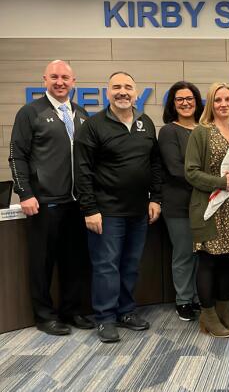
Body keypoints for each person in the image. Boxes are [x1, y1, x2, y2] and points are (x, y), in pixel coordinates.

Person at [74, 71, 162, 343]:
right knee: (106, 266)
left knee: (131, 264)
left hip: (138, 210)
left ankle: (125, 311)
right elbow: (83, 170)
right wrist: (89, 209)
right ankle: (105, 318)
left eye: (128, 87)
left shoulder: (145, 122)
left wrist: (156, 198)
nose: (122, 92)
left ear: (136, 93)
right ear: (107, 92)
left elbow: (155, 164)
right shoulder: (93, 125)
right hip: (106, 212)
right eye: (116, 87)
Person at [8, 60, 93, 335]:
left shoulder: (81, 114)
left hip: (75, 203)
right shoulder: (30, 112)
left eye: (65, 77)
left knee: (75, 261)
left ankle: (72, 311)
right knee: (42, 263)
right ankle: (44, 316)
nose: (60, 82)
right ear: (44, 79)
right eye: (54, 77)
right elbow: (17, 155)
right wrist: (25, 192)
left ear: (73, 81)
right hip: (44, 202)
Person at [185, 82, 229, 338]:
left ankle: (224, 311)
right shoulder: (201, 133)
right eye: (218, 100)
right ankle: (208, 315)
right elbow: (190, 172)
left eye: (228, 99)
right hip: (209, 207)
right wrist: (220, 182)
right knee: (208, 261)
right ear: (210, 104)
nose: (223, 104)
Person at [158, 81, 204, 322]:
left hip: (204, 204)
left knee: (200, 254)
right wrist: (209, 182)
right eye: (179, 99)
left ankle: (196, 296)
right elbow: (176, 169)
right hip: (179, 205)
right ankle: (184, 300)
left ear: (197, 102)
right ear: (173, 104)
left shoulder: (204, 128)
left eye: (190, 98)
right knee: (184, 253)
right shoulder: (168, 131)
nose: (185, 103)